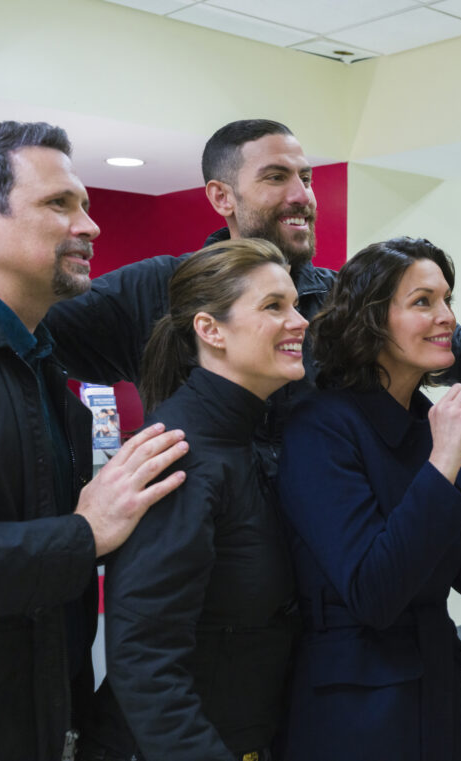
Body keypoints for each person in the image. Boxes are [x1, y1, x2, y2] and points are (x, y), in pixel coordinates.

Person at [42, 119, 461, 477]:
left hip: (311, 546)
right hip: (210, 533)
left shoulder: (331, 296)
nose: (302, 195)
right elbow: (36, 331)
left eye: (305, 178)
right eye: (276, 178)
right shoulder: (160, 287)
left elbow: (449, 344)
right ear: (222, 198)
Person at [0, 120, 188, 761]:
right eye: (58, 204)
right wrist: (85, 532)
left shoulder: (43, 368)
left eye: (87, 205)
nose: (90, 227)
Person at [277, 237, 461, 760]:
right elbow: (373, 592)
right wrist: (445, 462)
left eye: (447, 299)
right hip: (356, 708)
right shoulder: (320, 427)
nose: (447, 317)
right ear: (371, 319)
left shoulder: (428, 422)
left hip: (435, 688)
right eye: (423, 302)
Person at [82, 239, 309, 761]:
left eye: (295, 304)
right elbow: (145, 661)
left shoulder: (243, 438)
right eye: (274, 306)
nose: (299, 321)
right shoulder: (178, 456)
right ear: (210, 330)